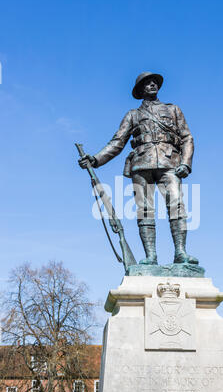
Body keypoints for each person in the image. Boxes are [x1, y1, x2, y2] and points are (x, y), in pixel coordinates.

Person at [79, 72, 197, 265]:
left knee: (176, 206)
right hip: (141, 164)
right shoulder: (133, 115)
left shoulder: (173, 109)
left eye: (154, 82)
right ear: (140, 90)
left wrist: (186, 162)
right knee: (145, 211)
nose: (152, 85)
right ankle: (151, 257)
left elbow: (187, 138)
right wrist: (95, 159)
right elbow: (117, 142)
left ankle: (180, 253)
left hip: (170, 163)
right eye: (147, 83)